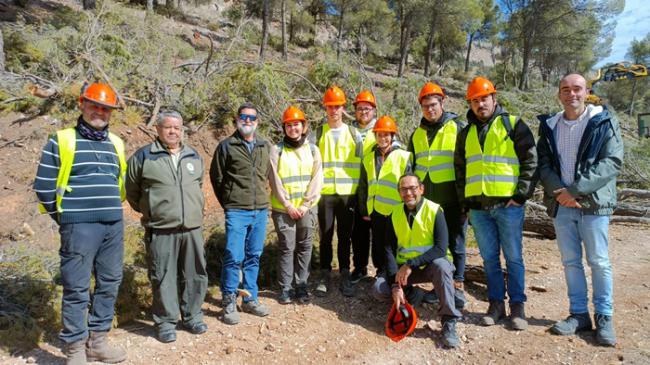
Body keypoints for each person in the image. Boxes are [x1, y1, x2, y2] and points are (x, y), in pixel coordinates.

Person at [34, 82, 127, 364]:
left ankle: (97, 343)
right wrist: (66, 219)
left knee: (109, 282)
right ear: (82, 104)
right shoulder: (62, 139)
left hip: (113, 224)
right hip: (79, 226)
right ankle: (75, 348)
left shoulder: (117, 143)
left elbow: (119, 183)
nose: (100, 111)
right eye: (94, 105)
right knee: (76, 287)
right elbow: (44, 186)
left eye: (105, 108)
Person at [537, 73, 623, 346]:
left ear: (587, 92)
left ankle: (604, 316)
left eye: (577, 89)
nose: (571, 94)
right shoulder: (550, 125)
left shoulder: (603, 121)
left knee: (598, 261)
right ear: (559, 93)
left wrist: (575, 191)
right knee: (570, 262)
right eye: (565, 89)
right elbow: (544, 163)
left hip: (593, 204)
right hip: (563, 206)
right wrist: (560, 194)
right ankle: (578, 314)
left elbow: (612, 161)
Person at [454, 77, 537, 331]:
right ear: (470, 103)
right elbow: (460, 170)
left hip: (508, 206)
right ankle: (495, 305)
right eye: (475, 100)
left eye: (484, 99)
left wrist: (521, 195)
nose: (480, 104)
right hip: (478, 209)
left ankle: (518, 308)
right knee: (490, 259)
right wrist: (465, 203)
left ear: (494, 99)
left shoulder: (513, 125)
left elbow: (531, 161)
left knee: (513, 258)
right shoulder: (465, 133)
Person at [125, 110, 208, 343]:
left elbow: (198, 185)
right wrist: (152, 210)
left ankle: (192, 316)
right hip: (161, 228)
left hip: (192, 228)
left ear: (182, 130)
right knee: (163, 276)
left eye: (177, 127)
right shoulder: (143, 157)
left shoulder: (193, 155)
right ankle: (166, 322)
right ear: (158, 129)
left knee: (195, 274)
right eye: (168, 127)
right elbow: (132, 191)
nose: (173, 131)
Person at [372, 174, 462, 348]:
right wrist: (395, 286)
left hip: (430, 267)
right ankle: (415, 295)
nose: (408, 193)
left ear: (421, 189)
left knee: (442, 266)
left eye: (412, 188)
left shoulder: (435, 210)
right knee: (378, 290)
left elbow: (440, 248)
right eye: (403, 189)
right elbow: (388, 250)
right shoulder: (395, 213)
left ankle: (449, 321)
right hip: (404, 272)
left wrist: (410, 264)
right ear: (399, 193)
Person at [210, 102, 271, 325]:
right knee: (233, 257)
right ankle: (228, 300)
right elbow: (217, 178)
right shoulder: (226, 146)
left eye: (252, 118)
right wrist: (228, 201)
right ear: (237, 119)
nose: (247, 121)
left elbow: (265, 175)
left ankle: (250, 299)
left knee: (254, 256)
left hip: (260, 210)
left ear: (257, 122)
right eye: (244, 117)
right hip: (237, 210)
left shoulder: (264, 146)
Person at [408, 82, 468, 309]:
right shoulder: (417, 133)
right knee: (436, 244)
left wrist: (466, 200)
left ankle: (458, 286)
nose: (430, 109)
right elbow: (411, 167)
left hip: (453, 197)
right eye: (425, 106)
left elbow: (467, 163)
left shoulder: (458, 127)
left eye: (433, 104)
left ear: (443, 103)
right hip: (427, 201)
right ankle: (438, 286)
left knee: (457, 242)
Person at [310, 86, 363, 297]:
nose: (334, 111)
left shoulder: (354, 133)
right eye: (330, 107)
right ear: (325, 108)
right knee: (325, 236)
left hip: (347, 195)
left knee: (344, 237)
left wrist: (360, 195)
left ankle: (344, 273)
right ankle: (325, 274)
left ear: (343, 108)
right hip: (325, 194)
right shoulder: (318, 132)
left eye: (337, 106)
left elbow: (363, 164)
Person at [269, 106, 323, 304]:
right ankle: (285, 287)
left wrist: (305, 205)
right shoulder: (277, 151)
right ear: (284, 128)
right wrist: (288, 205)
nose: (293, 129)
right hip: (283, 209)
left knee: (305, 246)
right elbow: (274, 181)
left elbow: (317, 179)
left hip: (306, 209)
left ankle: (301, 285)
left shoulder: (312, 150)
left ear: (304, 126)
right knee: (286, 247)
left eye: (296, 124)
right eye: (289, 125)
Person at [357, 115, 411, 280]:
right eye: (379, 134)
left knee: (395, 244)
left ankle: (396, 276)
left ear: (392, 136)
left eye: (386, 134)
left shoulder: (403, 156)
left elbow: (408, 183)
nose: (383, 138)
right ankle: (381, 273)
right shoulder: (368, 158)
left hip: (396, 210)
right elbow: (363, 186)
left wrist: (408, 208)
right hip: (376, 208)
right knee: (378, 244)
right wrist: (364, 209)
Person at [350, 90, 378, 284]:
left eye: (367, 108)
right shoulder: (349, 130)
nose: (363, 112)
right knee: (357, 232)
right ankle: (359, 268)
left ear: (374, 110)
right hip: (353, 188)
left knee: (378, 232)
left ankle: (381, 270)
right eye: (360, 109)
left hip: (376, 187)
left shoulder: (382, 128)